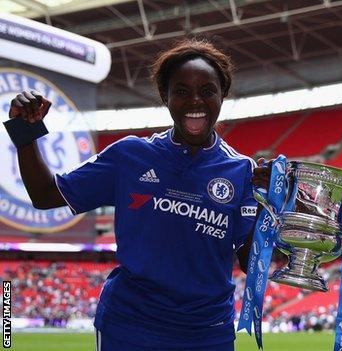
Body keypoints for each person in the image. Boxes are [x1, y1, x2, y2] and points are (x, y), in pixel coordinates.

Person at [6, 39, 257, 351]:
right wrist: (23, 132)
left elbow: (251, 262)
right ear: (166, 97)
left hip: (207, 333)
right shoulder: (130, 155)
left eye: (207, 91)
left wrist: (277, 216)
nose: (195, 100)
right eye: (181, 91)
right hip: (130, 327)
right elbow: (46, 195)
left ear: (223, 96)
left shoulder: (244, 172)